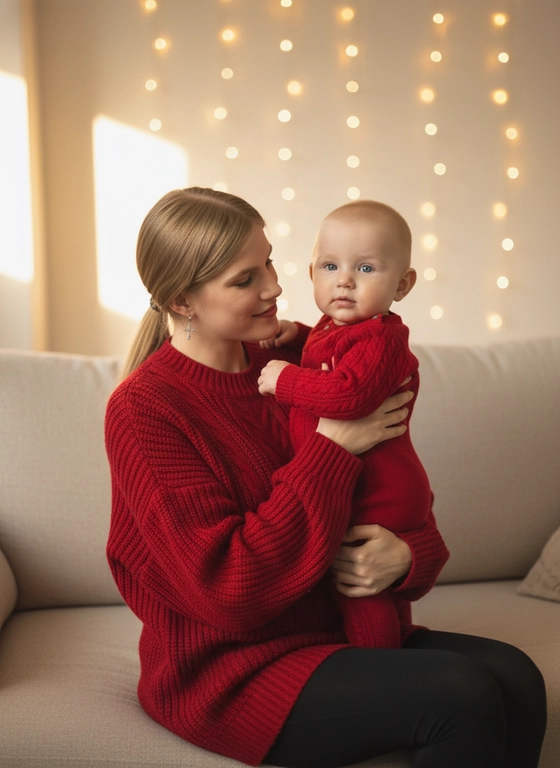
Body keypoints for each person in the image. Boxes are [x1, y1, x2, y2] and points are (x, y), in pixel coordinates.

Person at [105, 186, 546, 768]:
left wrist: (408, 556)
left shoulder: (301, 362)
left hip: (339, 630)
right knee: (459, 698)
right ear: (182, 300)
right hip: (234, 668)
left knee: (517, 678)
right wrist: (331, 446)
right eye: (244, 279)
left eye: (268, 260)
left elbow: (389, 491)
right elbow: (228, 590)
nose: (274, 286)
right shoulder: (146, 410)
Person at [257, 200, 433, 649]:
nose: (345, 280)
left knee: (359, 589)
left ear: (403, 284)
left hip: (379, 490)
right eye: (331, 265)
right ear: (312, 271)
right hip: (362, 484)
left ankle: (379, 666)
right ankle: (398, 647)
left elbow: (348, 394)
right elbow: (327, 353)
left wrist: (285, 378)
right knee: (373, 589)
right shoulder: (335, 325)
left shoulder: (383, 338)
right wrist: (295, 335)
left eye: (367, 268)